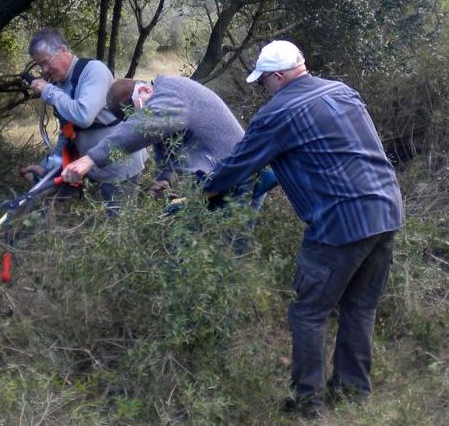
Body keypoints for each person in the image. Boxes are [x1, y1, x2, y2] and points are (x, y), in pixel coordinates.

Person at [201, 40, 404, 417]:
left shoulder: (277, 113)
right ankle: (353, 394)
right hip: (387, 208)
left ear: (279, 77)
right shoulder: (342, 91)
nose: (264, 88)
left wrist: (201, 192)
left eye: (264, 81)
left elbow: (238, 166)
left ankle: (308, 405)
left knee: (308, 312)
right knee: (359, 305)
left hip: (340, 222)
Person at [60, 76, 276, 228]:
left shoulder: (171, 93)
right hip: (227, 176)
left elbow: (137, 131)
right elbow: (167, 147)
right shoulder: (166, 103)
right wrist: (163, 178)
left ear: (144, 91)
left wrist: (90, 159)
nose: (140, 118)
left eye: (136, 113)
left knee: (229, 243)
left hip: (240, 175)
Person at [20, 28, 146, 211]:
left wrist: (48, 91)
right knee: (45, 201)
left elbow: (83, 116)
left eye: (46, 62)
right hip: (90, 163)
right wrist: (50, 165)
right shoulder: (59, 84)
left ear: (63, 51)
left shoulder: (94, 71)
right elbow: (68, 130)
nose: (44, 70)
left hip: (119, 163)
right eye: (40, 65)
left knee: (120, 221)